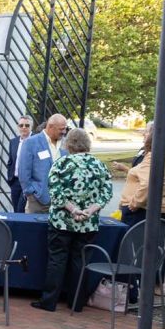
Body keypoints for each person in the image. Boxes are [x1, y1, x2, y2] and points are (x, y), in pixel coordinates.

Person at [30, 128, 112, 312]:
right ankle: (76, 303)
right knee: (80, 262)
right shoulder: (99, 165)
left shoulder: (61, 163)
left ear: (69, 144)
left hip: (62, 221)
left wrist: (73, 209)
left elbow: (55, 192)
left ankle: (49, 301)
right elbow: (106, 193)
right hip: (88, 224)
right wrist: (90, 210)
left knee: (56, 261)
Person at [118, 125, 165, 294]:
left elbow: (146, 184)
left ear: (154, 136)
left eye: (147, 132)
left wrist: (134, 203)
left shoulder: (154, 156)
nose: (144, 134)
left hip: (143, 210)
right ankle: (154, 284)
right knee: (156, 247)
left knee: (135, 248)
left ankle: (134, 287)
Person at [18, 113, 68, 213]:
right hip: (38, 201)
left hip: (63, 202)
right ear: (50, 127)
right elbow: (23, 172)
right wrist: (31, 193)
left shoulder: (66, 143)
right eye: (61, 129)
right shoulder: (31, 142)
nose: (64, 132)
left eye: (65, 128)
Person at [6, 115, 33, 212]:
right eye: (21, 125)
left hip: (29, 182)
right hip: (15, 182)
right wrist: (10, 179)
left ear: (31, 127)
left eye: (27, 125)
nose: (24, 127)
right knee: (16, 210)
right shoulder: (13, 142)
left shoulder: (36, 141)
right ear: (18, 127)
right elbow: (11, 162)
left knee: (21, 209)